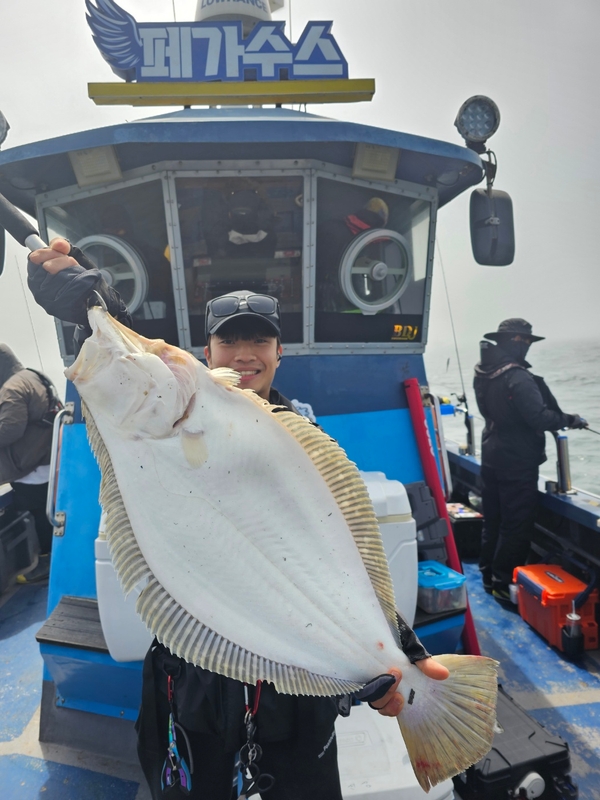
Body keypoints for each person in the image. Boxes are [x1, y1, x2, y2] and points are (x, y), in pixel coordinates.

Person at [28, 239, 449, 799]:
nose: (244, 353)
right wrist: (93, 309)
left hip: (293, 695)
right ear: (206, 352)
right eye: (229, 339)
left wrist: (399, 650)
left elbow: (339, 558)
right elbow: (138, 373)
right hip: (194, 680)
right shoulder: (179, 416)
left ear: (280, 352)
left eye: (259, 339)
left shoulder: (302, 440)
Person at [473, 318, 587, 602]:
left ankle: (487, 575)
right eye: (522, 341)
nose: (525, 347)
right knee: (516, 526)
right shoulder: (518, 376)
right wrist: (571, 420)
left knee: (494, 519)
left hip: (491, 455)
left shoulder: (484, 371)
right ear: (512, 342)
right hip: (516, 462)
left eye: (527, 342)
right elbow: (538, 417)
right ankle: (502, 584)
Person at [0, 344, 62, 583]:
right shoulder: (32, 376)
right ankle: (50, 559)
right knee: (45, 513)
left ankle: (45, 564)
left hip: (30, 468)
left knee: (36, 514)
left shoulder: (12, 388)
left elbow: (9, 429)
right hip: (46, 459)